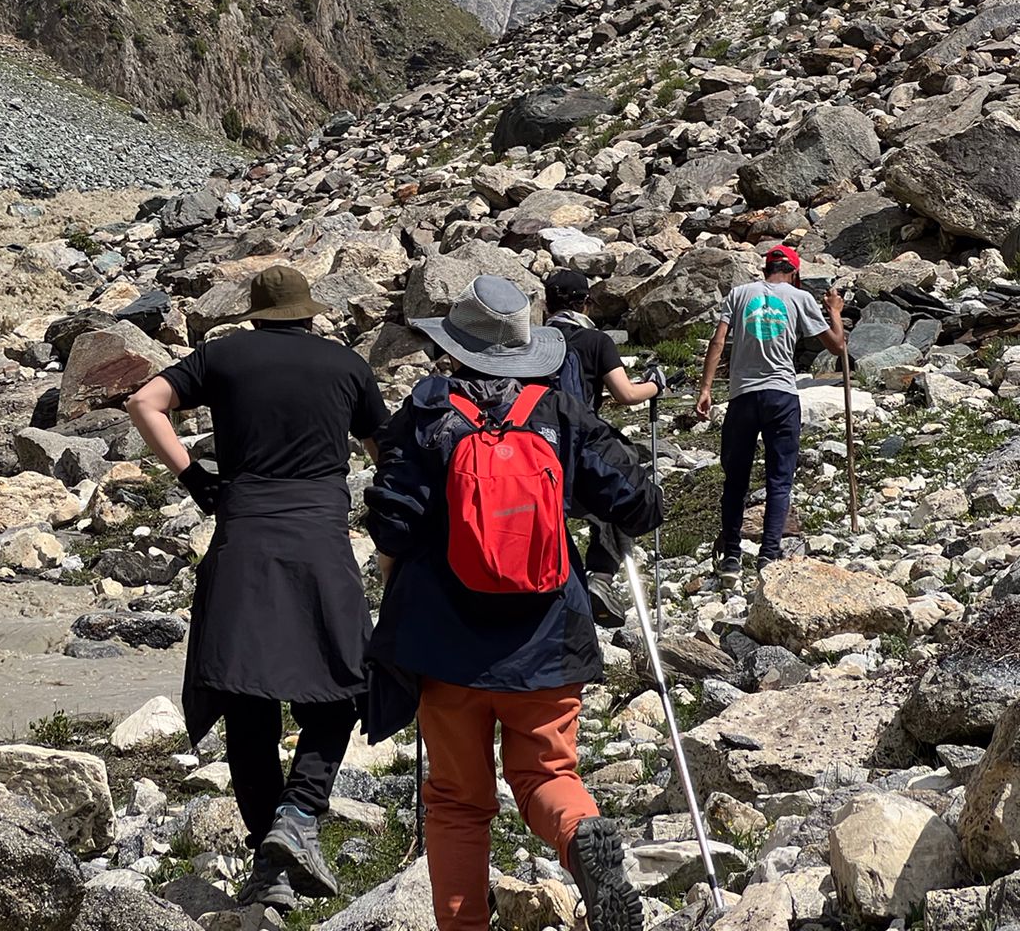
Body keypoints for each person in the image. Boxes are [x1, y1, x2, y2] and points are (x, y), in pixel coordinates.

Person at [366, 275, 663, 931]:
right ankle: (582, 836)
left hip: (446, 649)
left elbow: (391, 523)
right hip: (548, 637)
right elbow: (641, 503)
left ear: (458, 347)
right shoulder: (559, 412)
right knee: (545, 774)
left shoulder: (425, 410)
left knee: (456, 802)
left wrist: (397, 602)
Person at [125, 263, 389, 912]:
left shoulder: (222, 356)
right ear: (309, 312)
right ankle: (297, 817)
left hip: (242, 539)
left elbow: (143, 402)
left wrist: (194, 478)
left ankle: (268, 863)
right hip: (318, 543)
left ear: (254, 314)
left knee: (248, 703)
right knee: (344, 683)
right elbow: (388, 453)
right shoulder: (345, 366)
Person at [695, 244, 846, 584]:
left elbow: (718, 343)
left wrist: (705, 389)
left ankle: (732, 558)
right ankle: (768, 555)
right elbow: (838, 346)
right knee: (780, 480)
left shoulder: (738, 294)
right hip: (781, 395)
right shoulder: (799, 298)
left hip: (743, 397)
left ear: (766, 269)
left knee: (735, 481)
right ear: (794, 272)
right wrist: (834, 310)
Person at [544, 269, 663, 620]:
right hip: (582, 449)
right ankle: (601, 576)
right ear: (584, 302)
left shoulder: (532, 343)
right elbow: (626, 394)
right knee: (619, 492)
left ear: (548, 303)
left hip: (536, 452)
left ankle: (558, 586)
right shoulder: (596, 341)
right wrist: (655, 386)